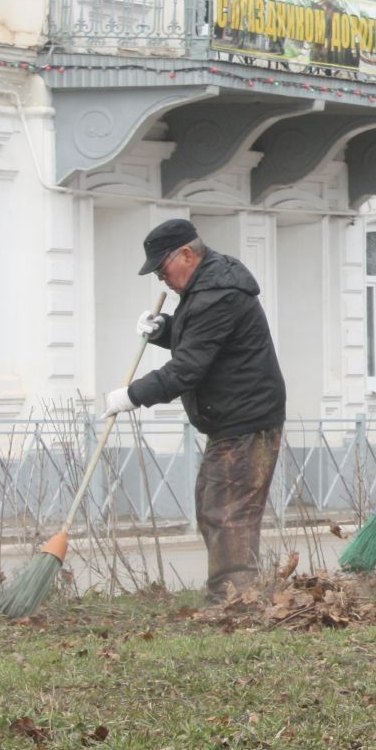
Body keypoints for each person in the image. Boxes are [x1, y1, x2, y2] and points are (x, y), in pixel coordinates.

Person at [106, 219, 286, 603]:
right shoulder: (206, 289)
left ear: (186, 254)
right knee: (212, 506)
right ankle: (236, 596)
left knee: (228, 513)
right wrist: (165, 330)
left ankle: (235, 602)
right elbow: (203, 340)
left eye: (161, 268)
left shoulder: (217, 292)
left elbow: (188, 367)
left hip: (248, 421)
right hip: (234, 421)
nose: (161, 279)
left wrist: (133, 395)